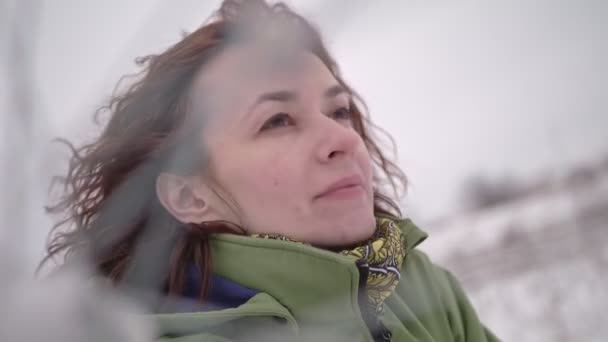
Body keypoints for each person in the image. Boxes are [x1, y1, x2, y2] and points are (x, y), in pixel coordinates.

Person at [41, 1, 499, 341]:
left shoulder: (420, 283)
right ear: (187, 195)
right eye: (277, 121)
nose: (343, 140)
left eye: (339, 111)